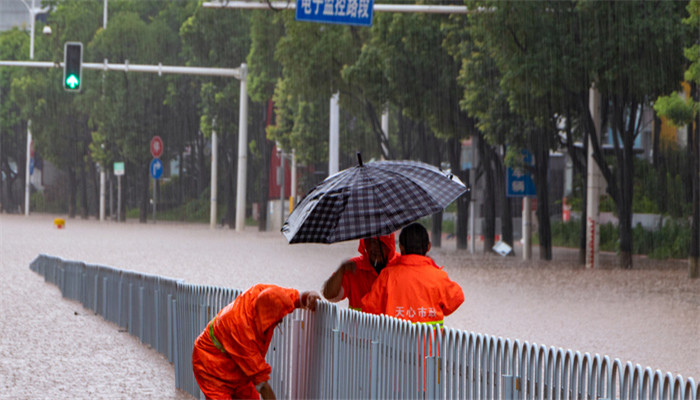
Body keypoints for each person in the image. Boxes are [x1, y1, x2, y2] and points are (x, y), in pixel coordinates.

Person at [191, 284, 320, 399]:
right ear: (267, 318)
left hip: (236, 364)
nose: (281, 321)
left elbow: (292, 298)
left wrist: (307, 297)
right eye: (277, 319)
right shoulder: (243, 331)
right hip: (210, 365)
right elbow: (262, 384)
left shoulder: (265, 294)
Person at [361, 223, 464, 327]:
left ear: (401, 247)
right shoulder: (439, 277)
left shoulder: (387, 275)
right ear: (428, 246)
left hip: (394, 343)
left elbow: (369, 308)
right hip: (428, 343)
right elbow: (456, 299)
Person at [322, 233, 397, 311]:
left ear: (390, 247)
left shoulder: (399, 265)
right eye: (372, 242)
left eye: (382, 243)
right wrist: (340, 271)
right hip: (358, 323)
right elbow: (329, 295)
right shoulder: (353, 267)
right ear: (365, 244)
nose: (376, 248)